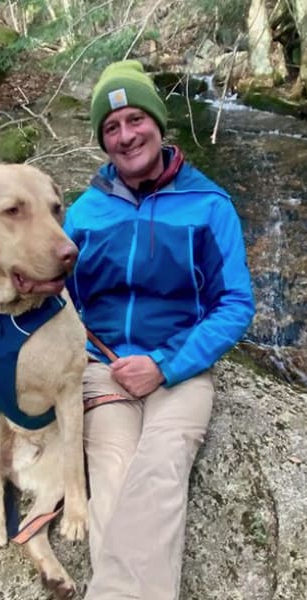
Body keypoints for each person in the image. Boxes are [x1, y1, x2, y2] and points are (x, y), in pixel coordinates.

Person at [63, 60, 255, 600]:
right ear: (103, 141)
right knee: (118, 479)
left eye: (134, 120)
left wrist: (166, 364)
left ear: (157, 122)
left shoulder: (210, 205)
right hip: (101, 369)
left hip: (181, 370)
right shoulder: (83, 213)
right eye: (111, 127)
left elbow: (236, 303)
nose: (126, 136)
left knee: (161, 468)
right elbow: (37, 277)